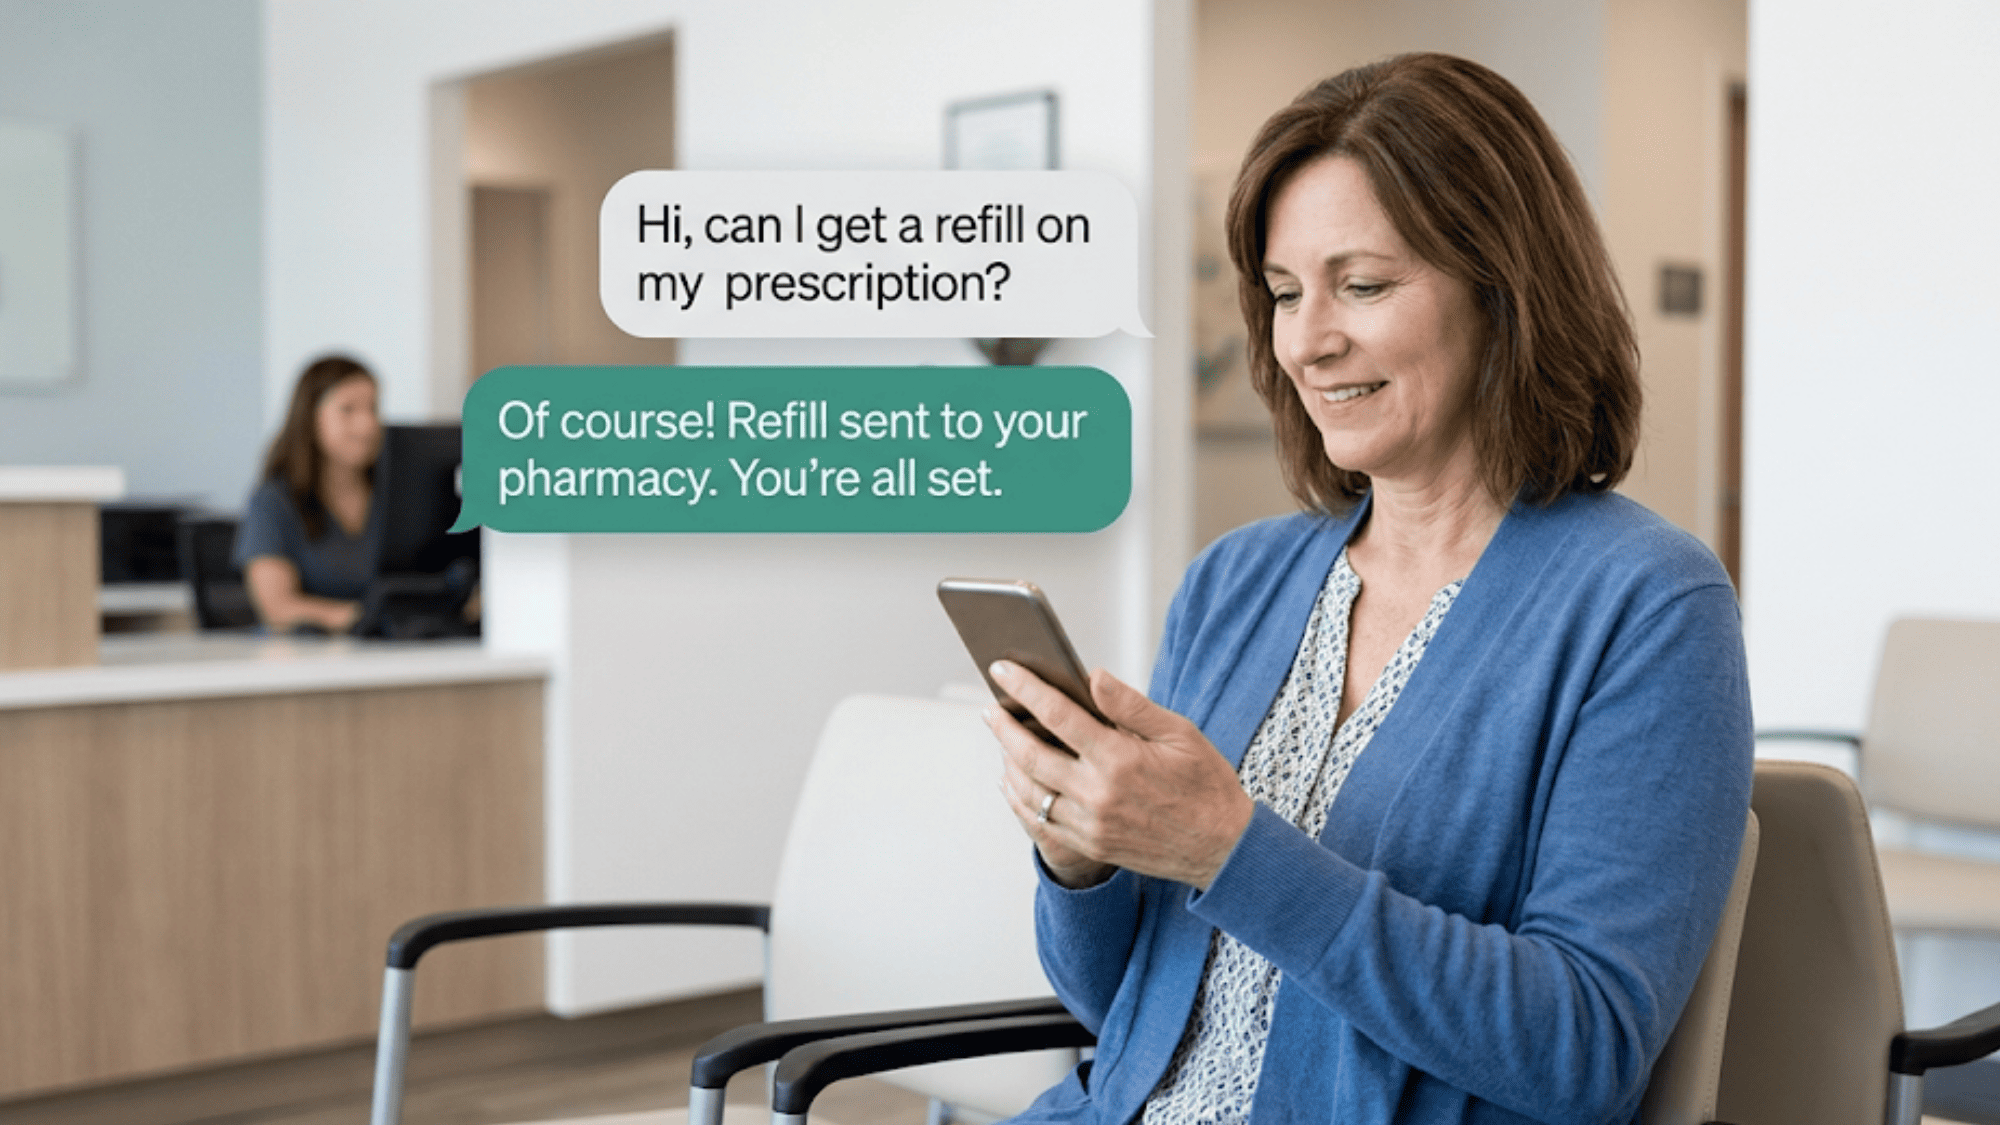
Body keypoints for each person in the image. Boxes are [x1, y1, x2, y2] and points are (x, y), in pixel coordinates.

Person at [987, 53, 1753, 1125]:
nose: (1307, 341)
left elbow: (1582, 1051)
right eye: (1284, 293)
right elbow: (1121, 1015)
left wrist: (1226, 848)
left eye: (1363, 285)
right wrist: (1081, 863)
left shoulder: (1645, 605)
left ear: (1503, 289)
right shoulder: (1233, 580)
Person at [234, 354, 382, 633]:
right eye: (348, 410)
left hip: (386, 652)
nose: (368, 425)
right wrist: (361, 618)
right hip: (301, 657)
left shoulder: (393, 497)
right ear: (310, 415)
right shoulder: (273, 501)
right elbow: (277, 607)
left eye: (373, 408)